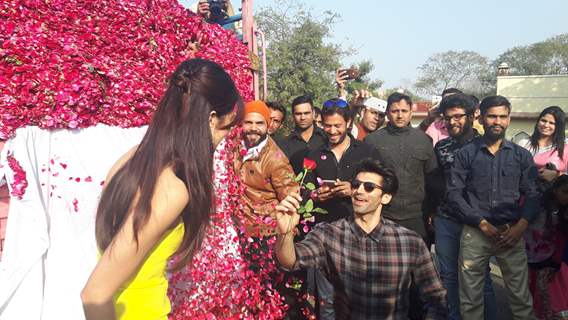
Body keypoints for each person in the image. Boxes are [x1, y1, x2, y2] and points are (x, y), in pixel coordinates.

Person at [81, 59, 244, 320]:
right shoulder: (171, 189)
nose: (226, 137)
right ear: (212, 120)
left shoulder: (131, 159)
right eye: (227, 127)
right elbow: (94, 294)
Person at [274, 159, 448, 319]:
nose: (359, 191)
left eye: (369, 187)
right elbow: (290, 261)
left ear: (385, 197)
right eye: (356, 185)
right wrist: (285, 233)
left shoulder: (409, 242)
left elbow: (435, 297)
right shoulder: (329, 234)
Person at [447, 95, 539, 320]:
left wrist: (520, 227)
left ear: (508, 120)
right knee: (470, 299)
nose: (497, 121)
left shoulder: (521, 156)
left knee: (520, 298)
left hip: (512, 233)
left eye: (502, 116)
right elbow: (454, 194)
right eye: (492, 116)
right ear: (481, 118)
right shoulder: (465, 154)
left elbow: (535, 195)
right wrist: (481, 223)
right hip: (476, 232)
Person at [303, 98, 381, 318]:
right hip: (325, 236)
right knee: (328, 300)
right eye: (327, 126)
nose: (332, 131)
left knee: (361, 297)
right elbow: (302, 190)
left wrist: (355, 189)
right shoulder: (314, 154)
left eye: (338, 125)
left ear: (348, 123)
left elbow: (383, 187)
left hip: (360, 235)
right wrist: (315, 195)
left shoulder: (367, 152)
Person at [431, 93, 496, 320]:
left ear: (472, 116)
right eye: (448, 118)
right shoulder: (441, 146)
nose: (452, 122)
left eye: (458, 116)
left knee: (480, 278)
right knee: (448, 276)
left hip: (477, 223)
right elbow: (436, 182)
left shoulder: (486, 146)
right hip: (447, 220)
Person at [517, 106, 568, 318]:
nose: (546, 125)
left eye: (552, 123)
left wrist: (555, 175)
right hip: (524, 212)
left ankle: (547, 311)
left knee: (548, 270)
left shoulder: (564, 149)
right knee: (523, 267)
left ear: (558, 126)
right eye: (543, 120)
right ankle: (525, 311)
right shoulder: (523, 144)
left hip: (553, 218)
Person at [365, 92, 438, 240]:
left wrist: (434, 210)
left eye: (404, 111)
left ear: (411, 113)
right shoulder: (372, 141)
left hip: (417, 216)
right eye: (394, 111)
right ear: (387, 113)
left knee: (417, 260)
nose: (399, 115)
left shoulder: (424, 140)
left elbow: (432, 179)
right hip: (383, 213)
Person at [235, 100, 299, 236]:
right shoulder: (233, 147)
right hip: (235, 228)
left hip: (264, 233)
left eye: (259, 123)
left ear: (267, 125)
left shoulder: (276, 159)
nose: (253, 128)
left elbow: (290, 199)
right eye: (248, 122)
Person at [278, 94, 327, 174]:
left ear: (313, 113)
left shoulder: (326, 138)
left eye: (306, 113)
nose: (303, 118)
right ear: (293, 115)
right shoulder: (285, 144)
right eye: (298, 114)